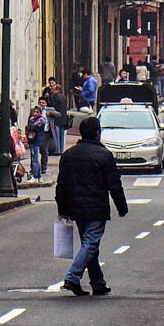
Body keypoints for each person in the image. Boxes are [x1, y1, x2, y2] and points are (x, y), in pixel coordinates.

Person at [55, 114, 128, 297]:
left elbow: (61, 185)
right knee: (90, 242)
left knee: (90, 245)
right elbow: (114, 184)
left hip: (75, 208)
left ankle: (98, 283)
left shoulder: (68, 155)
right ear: (97, 133)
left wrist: (62, 209)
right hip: (96, 207)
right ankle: (72, 277)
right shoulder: (104, 155)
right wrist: (122, 206)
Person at [43, 79, 69, 154]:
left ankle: (57, 150)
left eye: (53, 90)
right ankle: (61, 150)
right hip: (63, 119)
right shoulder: (63, 96)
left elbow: (53, 107)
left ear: (57, 90)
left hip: (57, 119)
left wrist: (50, 113)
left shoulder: (55, 97)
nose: (52, 91)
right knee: (62, 136)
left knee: (56, 136)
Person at [25, 106, 47, 181]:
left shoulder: (41, 119)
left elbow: (32, 127)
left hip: (36, 141)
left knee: (35, 159)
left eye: (37, 112)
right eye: (34, 112)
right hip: (32, 141)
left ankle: (35, 176)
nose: (35, 113)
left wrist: (31, 122)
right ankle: (38, 176)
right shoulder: (33, 119)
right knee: (34, 158)